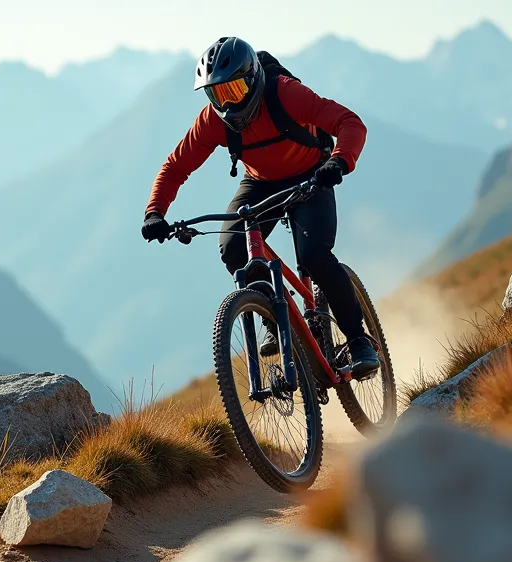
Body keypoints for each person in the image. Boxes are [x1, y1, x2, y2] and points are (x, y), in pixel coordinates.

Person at [140, 36, 379, 378]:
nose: (226, 103)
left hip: (312, 174)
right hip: (260, 182)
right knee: (234, 249)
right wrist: (155, 212)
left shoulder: (285, 93)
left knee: (314, 255)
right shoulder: (214, 120)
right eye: (216, 94)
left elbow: (350, 123)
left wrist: (339, 163)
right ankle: (273, 316)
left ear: (252, 79)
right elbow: (176, 167)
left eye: (232, 91)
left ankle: (358, 340)